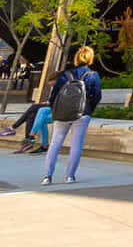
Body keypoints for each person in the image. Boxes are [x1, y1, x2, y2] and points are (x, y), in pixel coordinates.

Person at [40, 45, 101, 185]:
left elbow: (54, 94)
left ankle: (47, 176)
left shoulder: (65, 75)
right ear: (90, 58)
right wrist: (89, 109)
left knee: (55, 144)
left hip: (62, 113)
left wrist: (55, 108)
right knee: (76, 146)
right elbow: (97, 95)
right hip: (82, 113)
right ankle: (69, 176)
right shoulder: (92, 75)